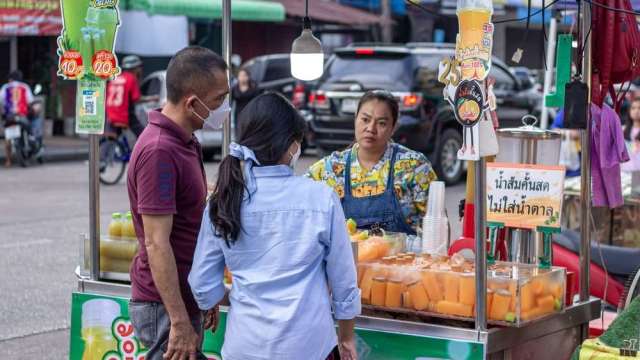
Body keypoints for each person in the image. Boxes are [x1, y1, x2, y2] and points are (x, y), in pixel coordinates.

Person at [188, 93, 360, 360]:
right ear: (291, 146)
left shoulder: (222, 200)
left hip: (245, 346)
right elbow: (344, 282)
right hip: (308, 346)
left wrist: (219, 300)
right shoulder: (320, 197)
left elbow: (202, 284)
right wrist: (346, 337)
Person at [127, 46, 229, 360]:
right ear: (192, 103)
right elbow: (157, 243)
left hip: (183, 297)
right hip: (163, 307)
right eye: (219, 100)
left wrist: (203, 294)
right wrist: (179, 319)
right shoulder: (160, 151)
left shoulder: (185, 140)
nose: (224, 109)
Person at [307, 90, 438, 235]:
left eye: (381, 123)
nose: (370, 128)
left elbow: (438, 230)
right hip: (350, 258)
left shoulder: (415, 167)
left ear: (393, 128)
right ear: (355, 119)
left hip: (404, 257)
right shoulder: (329, 170)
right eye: (365, 119)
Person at [0, 70, 34, 167]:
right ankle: (31, 138)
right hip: (22, 115)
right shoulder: (24, 87)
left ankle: (8, 161)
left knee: (8, 138)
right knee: (29, 129)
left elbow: (1, 101)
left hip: (9, 116)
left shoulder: (5, 87)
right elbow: (30, 101)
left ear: (10, 79)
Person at [106, 55, 145, 138]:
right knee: (143, 136)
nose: (140, 69)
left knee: (114, 139)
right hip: (124, 115)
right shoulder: (131, 79)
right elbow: (136, 99)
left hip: (111, 115)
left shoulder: (115, 79)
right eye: (139, 67)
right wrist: (152, 98)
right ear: (135, 68)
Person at [231, 68, 259, 136]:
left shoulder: (254, 87)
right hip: (239, 114)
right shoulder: (234, 89)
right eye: (240, 76)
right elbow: (230, 102)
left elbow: (257, 101)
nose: (242, 78)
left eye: (244, 75)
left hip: (251, 113)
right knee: (239, 133)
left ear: (248, 77)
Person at [622, 97, 640, 172]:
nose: (636, 111)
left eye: (639, 108)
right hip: (624, 173)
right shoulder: (622, 130)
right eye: (633, 108)